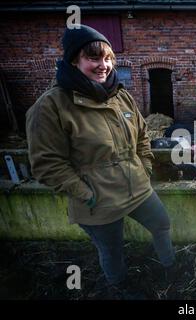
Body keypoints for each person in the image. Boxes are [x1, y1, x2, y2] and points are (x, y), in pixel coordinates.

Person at [25, 24, 176, 299]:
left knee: (162, 223)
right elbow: (47, 164)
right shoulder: (51, 106)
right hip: (97, 200)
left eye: (107, 58)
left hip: (137, 187)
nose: (103, 65)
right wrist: (86, 193)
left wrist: (144, 167)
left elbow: (143, 135)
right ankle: (120, 288)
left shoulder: (120, 95)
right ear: (74, 60)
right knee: (112, 250)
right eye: (93, 58)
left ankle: (171, 268)